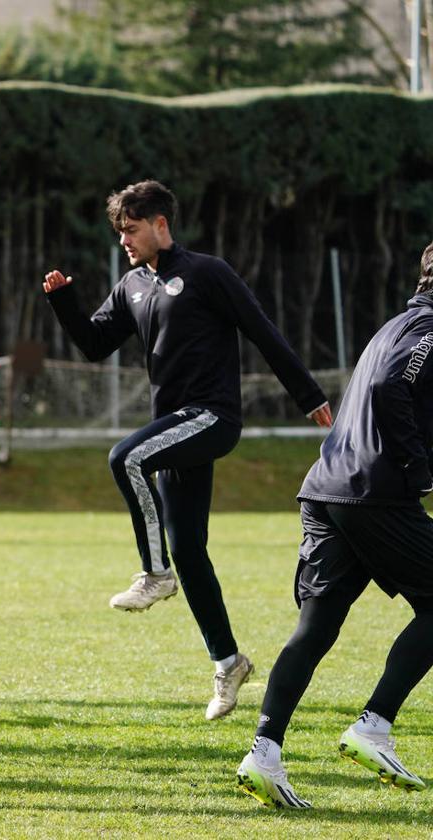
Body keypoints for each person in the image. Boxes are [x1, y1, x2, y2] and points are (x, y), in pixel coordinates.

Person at [43, 180, 332, 720]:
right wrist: (63, 299)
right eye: (119, 232)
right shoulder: (132, 284)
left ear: (160, 224)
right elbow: (93, 342)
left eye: (131, 230)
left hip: (212, 417)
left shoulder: (207, 273)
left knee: (124, 457)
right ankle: (229, 662)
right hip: (174, 426)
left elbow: (262, 331)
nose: (124, 240)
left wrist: (309, 395)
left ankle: (154, 573)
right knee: (192, 551)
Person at [236, 244, 433, 808]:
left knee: (316, 628)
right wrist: (419, 470)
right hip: (371, 495)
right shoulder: (429, 329)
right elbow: (389, 389)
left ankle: (264, 755)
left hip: (326, 489)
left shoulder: (398, 323)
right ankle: (374, 726)